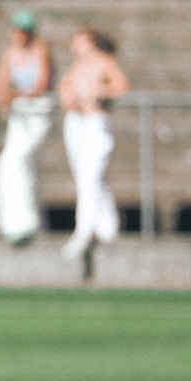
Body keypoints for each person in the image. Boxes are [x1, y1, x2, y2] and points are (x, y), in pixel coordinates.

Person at [57, 28, 130, 262]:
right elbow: (66, 88)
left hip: (96, 122)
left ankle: (84, 230)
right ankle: (108, 226)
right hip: (78, 123)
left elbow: (121, 86)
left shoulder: (104, 61)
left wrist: (100, 92)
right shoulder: (77, 66)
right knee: (89, 176)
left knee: (91, 174)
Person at [0, 10, 55, 244]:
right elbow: (0, 84)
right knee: (9, 163)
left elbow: (42, 84)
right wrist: (5, 95)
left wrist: (14, 95)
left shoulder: (41, 50)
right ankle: (14, 222)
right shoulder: (10, 53)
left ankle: (27, 222)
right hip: (20, 114)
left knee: (19, 160)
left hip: (38, 112)